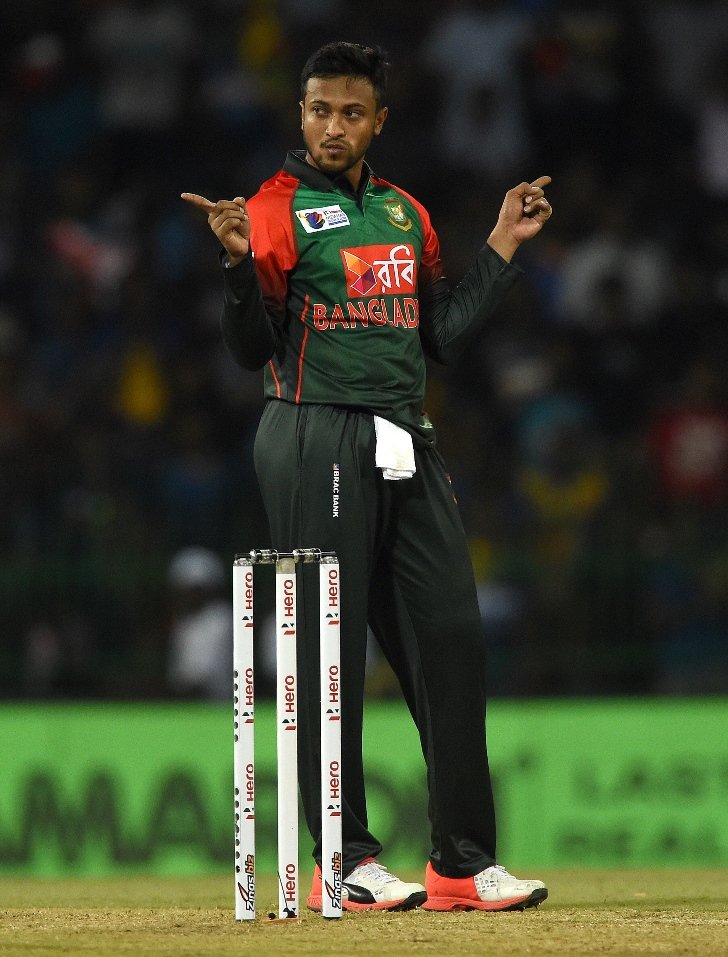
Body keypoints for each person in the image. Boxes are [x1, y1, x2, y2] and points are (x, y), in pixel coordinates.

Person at [182, 41, 552, 913]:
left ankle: (462, 861)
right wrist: (237, 264)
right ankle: (341, 856)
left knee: (452, 637)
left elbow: (443, 340)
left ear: (379, 120)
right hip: (315, 431)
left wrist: (500, 244)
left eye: (351, 112)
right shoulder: (271, 211)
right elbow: (248, 353)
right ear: (300, 114)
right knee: (330, 652)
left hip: (404, 435)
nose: (333, 126)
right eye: (318, 110)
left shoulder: (403, 214)